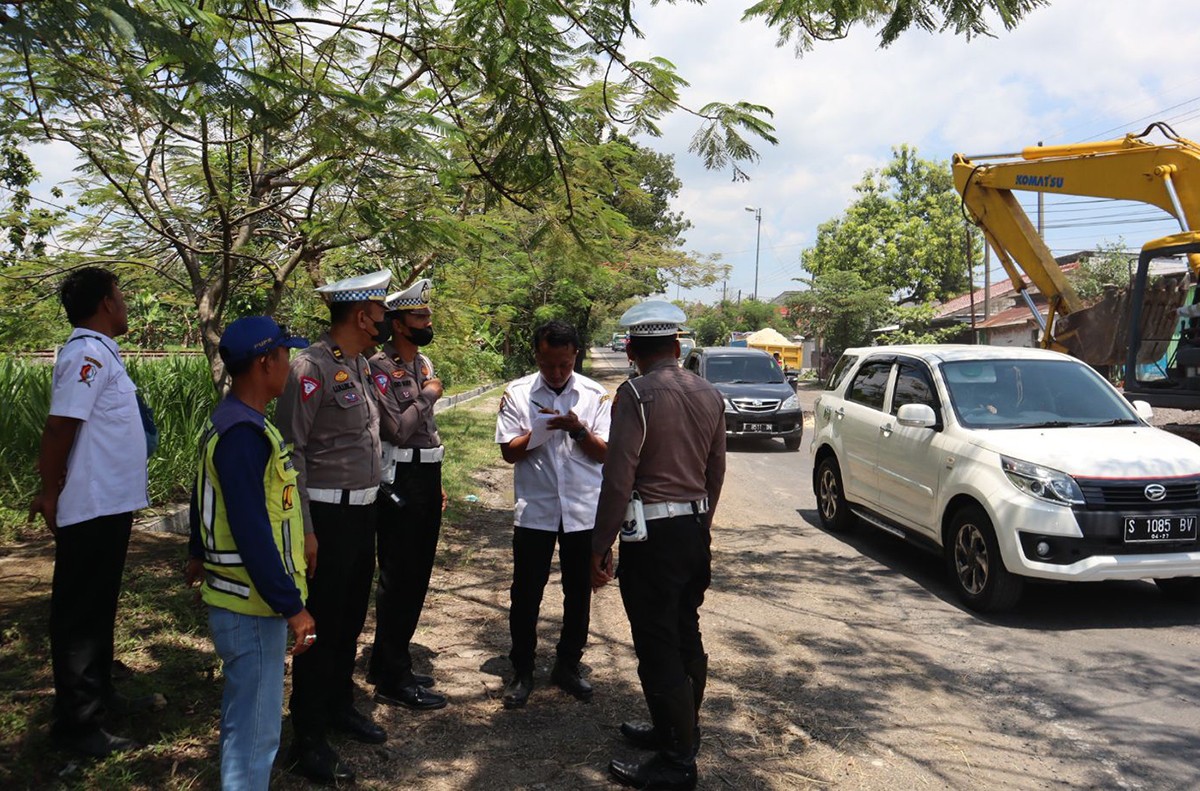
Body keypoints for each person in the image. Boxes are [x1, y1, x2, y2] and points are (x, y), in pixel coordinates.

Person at [591, 301, 726, 791]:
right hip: (692, 528)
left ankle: (677, 760)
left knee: (656, 641)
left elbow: (619, 473)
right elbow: (716, 470)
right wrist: (701, 524)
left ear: (630, 349)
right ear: (676, 345)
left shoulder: (636, 394)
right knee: (685, 628)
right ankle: (677, 730)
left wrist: (599, 545)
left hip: (653, 535)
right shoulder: (709, 392)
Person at [183, 316, 316, 791]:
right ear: (265, 363)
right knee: (256, 732)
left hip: (248, 603)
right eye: (284, 356)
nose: (289, 365)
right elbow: (252, 532)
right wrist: (291, 605)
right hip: (253, 607)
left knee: (247, 720)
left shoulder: (238, 423)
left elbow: (208, 498)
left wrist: (198, 551)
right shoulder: (242, 435)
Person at [276, 270, 392, 784]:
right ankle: (308, 734)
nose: (385, 319)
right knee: (319, 625)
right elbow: (290, 450)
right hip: (324, 514)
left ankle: (339, 705)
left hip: (362, 511)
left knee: (347, 617)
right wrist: (304, 527)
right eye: (382, 311)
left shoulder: (361, 365)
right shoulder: (310, 366)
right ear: (363, 315)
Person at [30, 267, 149, 758]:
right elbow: (61, 428)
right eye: (120, 295)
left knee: (99, 605)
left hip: (111, 504)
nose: (124, 304)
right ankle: (77, 725)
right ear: (105, 304)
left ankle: (99, 695)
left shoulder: (102, 354)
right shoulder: (86, 355)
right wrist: (49, 490)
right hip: (91, 505)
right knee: (79, 614)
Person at [495, 320, 612, 708]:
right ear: (537, 356)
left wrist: (578, 430)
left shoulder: (595, 396)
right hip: (536, 510)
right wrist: (540, 432)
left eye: (564, 364)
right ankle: (522, 670)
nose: (557, 372)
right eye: (549, 365)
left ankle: (567, 665)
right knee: (526, 593)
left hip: (582, 509)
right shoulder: (518, 393)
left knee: (578, 592)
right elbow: (509, 452)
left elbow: (606, 453)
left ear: (575, 355)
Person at [367, 278, 448, 711]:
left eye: (427, 314)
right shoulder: (379, 368)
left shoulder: (424, 362)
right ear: (398, 324)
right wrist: (429, 396)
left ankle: (389, 660)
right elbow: (396, 429)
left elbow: (427, 434)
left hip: (426, 476)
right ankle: (393, 675)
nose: (427, 321)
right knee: (399, 576)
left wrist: (438, 483)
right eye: (419, 316)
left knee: (417, 575)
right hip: (399, 478)